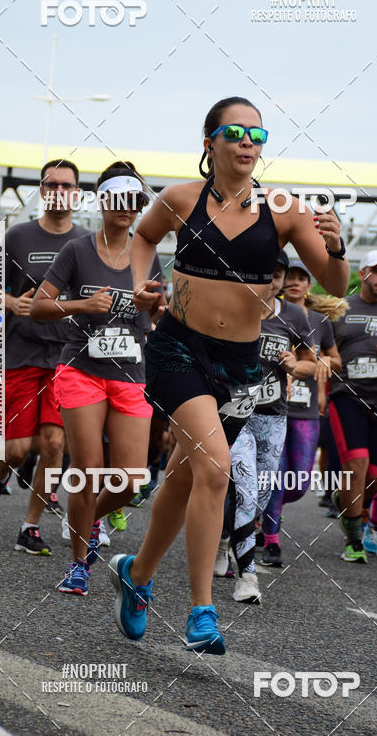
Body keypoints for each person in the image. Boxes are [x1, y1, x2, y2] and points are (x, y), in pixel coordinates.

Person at [108, 96, 348, 654]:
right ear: (209, 141)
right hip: (178, 350)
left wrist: (339, 248)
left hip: (240, 366)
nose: (248, 142)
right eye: (236, 132)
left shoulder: (283, 208)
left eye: (258, 135)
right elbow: (143, 239)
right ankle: (201, 611)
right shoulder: (180, 199)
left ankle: (136, 576)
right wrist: (145, 287)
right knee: (216, 470)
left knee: (187, 477)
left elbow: (335, 284)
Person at [30, 162, 162, 596]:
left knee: (128, 480)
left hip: (130, 373)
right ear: (103, 200)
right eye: (119, 199)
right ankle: (78, 563)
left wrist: (156, 309)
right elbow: (39, 307)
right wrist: (83, 306)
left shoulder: (148, 255)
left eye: (135, 201)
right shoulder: (77, 250)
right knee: (88, 472)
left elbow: (157, 314)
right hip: (81, 370)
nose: (127, 208)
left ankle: (89, 522)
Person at [0, 159, 87, 555]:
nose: (59, 190)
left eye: (67, 185)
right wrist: (10, 301)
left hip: (65, 356)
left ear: (77, 193)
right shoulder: (17, 236)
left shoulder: (87, 241)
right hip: (20, 351)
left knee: (55, 443)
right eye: (51, 184)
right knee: (19, 449)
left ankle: (30, 526)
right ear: (42, 191)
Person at [221, 250, 315, 603]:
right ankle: (246, 576)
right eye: (264, 273)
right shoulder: (232, 308)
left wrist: (295, 365)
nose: (271, 281)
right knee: (243, 486)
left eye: (277, 275)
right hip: (236, 412)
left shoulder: (294, 315)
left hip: (274, 415)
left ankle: (225, 540)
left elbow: (311, 363)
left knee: (259, 495)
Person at [260, 259, 342, 566]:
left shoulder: (320, 321)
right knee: (276, 477)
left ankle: (263, 513)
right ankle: (271, 539)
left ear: (309, 286)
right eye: (288, 277)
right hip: (272, 407)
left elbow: (335, 360)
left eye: (300, 279)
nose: (294, 283)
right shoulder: (264, 311)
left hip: (307, 409)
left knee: (298, 483)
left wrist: (322, 364)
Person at [329, 250, 377, 562]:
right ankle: (354, 541)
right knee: (355, 465)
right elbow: (322, 350)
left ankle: (347, 504)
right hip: (347, 394)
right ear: (363, 274)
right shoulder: (340, 308)